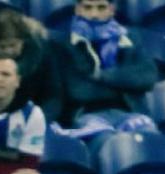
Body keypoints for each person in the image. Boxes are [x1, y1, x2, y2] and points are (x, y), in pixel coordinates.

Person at [58, 0, 158, 141]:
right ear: (78, 9)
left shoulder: (129, 38)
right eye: (88, 7)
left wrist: (100, 76)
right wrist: (125, 79)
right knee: (105, 140)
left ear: (111, 9)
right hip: (87, 114)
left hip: (129, 112)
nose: (94, 15)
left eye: (101, 8)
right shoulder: (65, 44)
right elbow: (77, 90)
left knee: (149, 136)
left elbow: (148, 77)